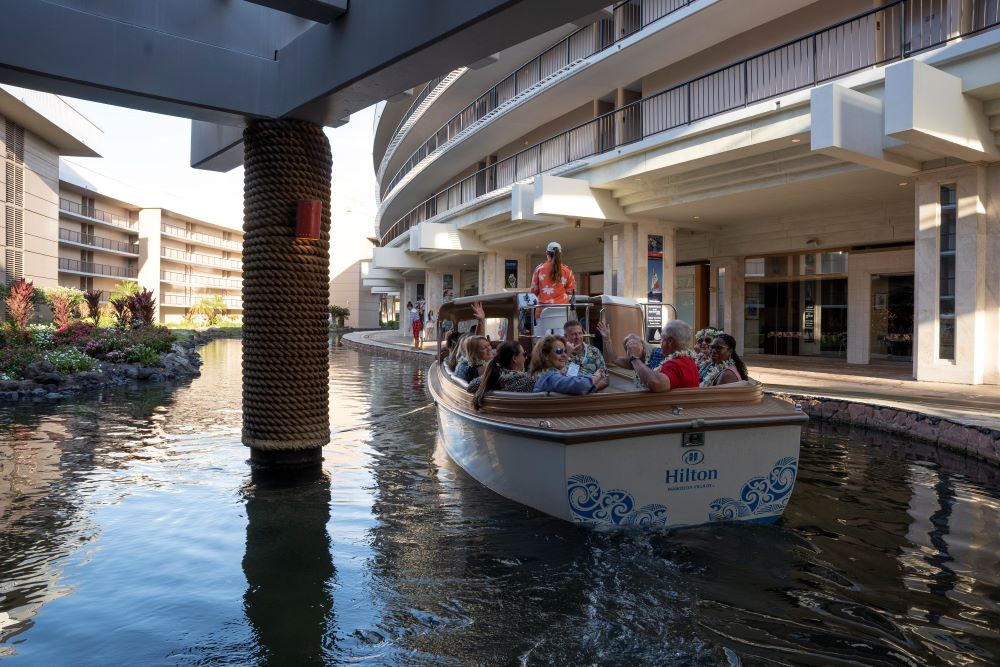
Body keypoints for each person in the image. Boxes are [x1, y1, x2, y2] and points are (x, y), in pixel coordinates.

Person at [622, 319, 699, 392]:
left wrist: (634, 358)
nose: (660, 343)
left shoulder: (676, 364)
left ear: (670, 341)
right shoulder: (688, 360)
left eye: (662, 339)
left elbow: (656, 384)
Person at [530, 334, 608, 394]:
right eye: (559, 351)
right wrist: (594, 378)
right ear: (546, 355)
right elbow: (580, 385)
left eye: (565, 351)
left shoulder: (543, 374)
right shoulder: (547, 377)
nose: (565, 355)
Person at [467, 341, 536, 409]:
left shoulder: (491, 376)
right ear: (514, 358)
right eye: (524, 354)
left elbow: (470, 388)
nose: (526, 358)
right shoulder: (528, 381)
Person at [529, 241, 576, 309]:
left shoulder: (539, 269)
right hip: (563, 310)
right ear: (560, 254)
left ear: (547, 253)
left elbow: (534, 291)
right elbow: (571, 291)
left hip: (543, 309)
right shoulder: (567, 270)